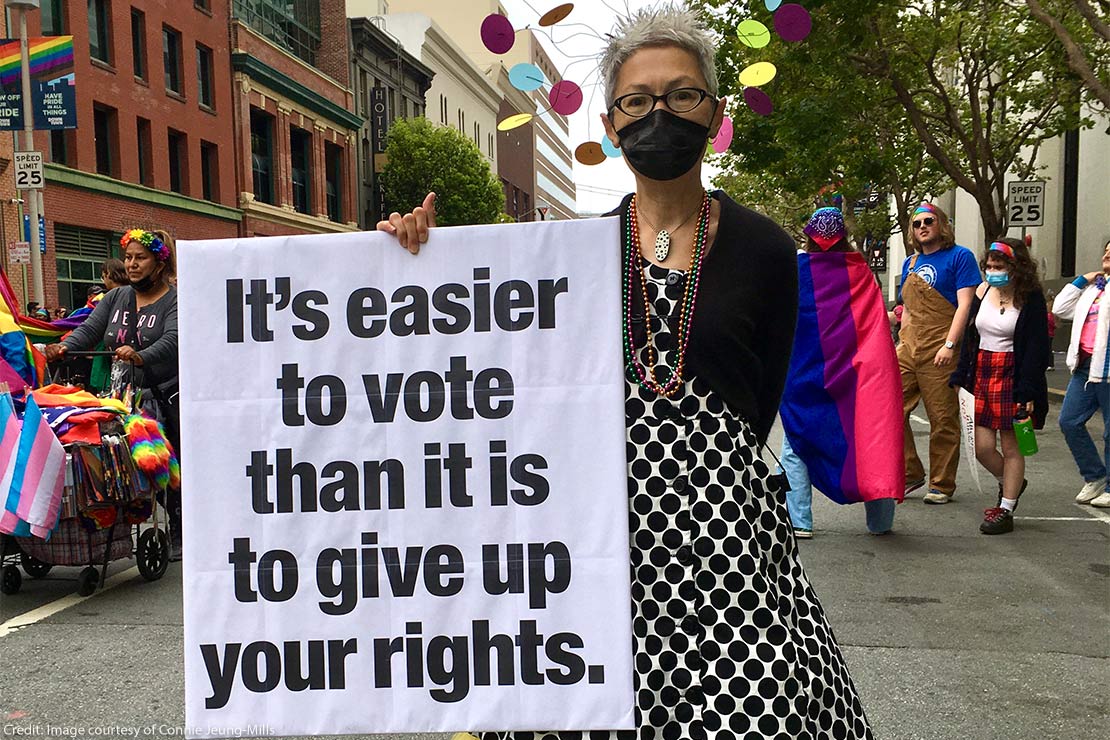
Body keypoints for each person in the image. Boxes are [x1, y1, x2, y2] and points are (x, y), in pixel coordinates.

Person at [378, 8, 873, 738]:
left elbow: (757, 396)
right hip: (595, 541)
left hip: (728, 549)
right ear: (612, 124)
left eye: (681, 95)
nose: (659, 115)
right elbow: (493, 381)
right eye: (637, 101)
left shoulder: (765, 249)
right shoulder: (566, 257)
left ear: (715, 113)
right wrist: (407, 262)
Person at [43, 228, 182, 556]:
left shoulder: (173, 299)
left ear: (159, 263)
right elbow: (90, 330)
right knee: (120, 465)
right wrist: (62, 348)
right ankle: (120, 525)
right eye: (128, 258)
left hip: (161, 399)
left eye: (140, 258)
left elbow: (174, 339)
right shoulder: (116, 298)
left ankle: (177, 525)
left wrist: (140, 355)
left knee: (163, 468)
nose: (132, 265)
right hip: (120, 399)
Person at [780, 208, 904, 539]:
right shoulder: (860, 272)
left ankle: (800, 520)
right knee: (872, 440)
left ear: (808, 236)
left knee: (796, 440)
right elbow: (874, 325)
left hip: (806, 371)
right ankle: (879, 522)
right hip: (858, 373)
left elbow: (785, 320)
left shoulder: (797, 269)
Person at [949, 239, 1050, 534]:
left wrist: (1028, 391)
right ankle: (1011, 481)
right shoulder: (982, 292)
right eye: (989, 266)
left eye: (999, 266)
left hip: (1013, 375)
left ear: (1015, 268)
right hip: (982, 371)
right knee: (981, 447)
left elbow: (1036, 348)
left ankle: (1005, 508)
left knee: (1011, 445)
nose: (993, 272)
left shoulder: (1030, 299)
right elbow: (971, 340)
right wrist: (959, 377)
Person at [895, 203, 981, 504]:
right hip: (909, 347)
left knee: (942, 418)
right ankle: (910, 471)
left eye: (928, 221)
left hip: (940, 348)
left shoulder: (960, 257)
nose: (922, 227)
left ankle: (941, 484)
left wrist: (949, 345)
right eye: (917, 223)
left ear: (941, 224)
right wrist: (900, 342)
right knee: (890, 408)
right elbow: (907, 310)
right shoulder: (910, 263)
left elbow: (965, 305)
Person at [1053, 238, 1110, 508]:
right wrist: (1082, 280)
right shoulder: (1093, 290)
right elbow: (1060, 308)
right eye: (1106, 250)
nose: (1107, 254)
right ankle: (1095, 476)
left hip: (1108, 370)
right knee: (1069, 421)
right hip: (1085, 368)